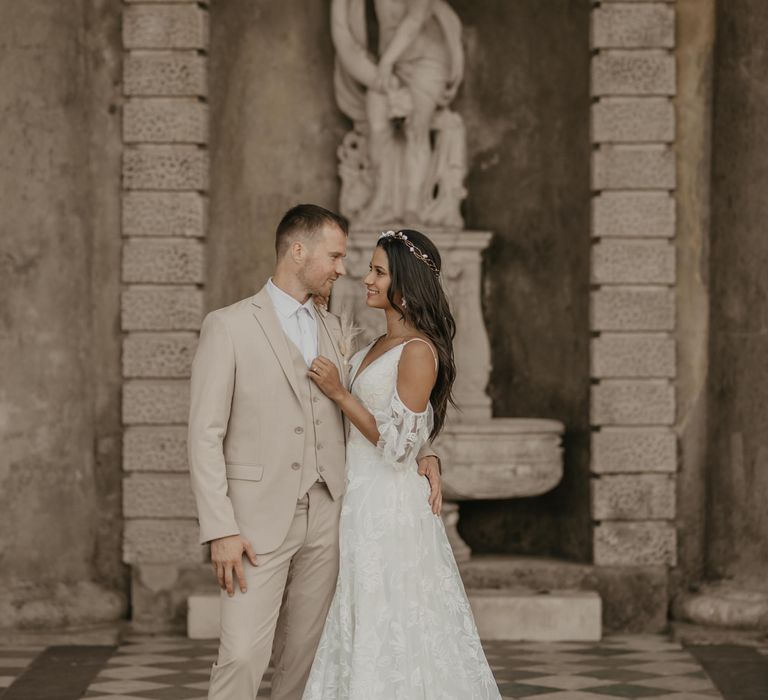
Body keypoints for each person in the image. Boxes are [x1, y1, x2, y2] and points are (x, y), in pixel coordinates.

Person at [187, 205, 443, 700]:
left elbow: (390, 399)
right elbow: (204, 435)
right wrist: (220, 528)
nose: (342, 269)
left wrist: (426, 450)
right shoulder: (229, 326)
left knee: (307, 658)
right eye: (335, 256)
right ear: (298, 251)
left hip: (333, 515)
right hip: (255, 523)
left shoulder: (335, 328)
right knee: (241, 655)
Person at [302, 229, 501, 699]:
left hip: (388, 506)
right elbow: (412, 435)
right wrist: (427, 450)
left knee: (389, 616)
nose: (365, 279)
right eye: (370, 269)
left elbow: (396, 444)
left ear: (405, 286)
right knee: (359, 612)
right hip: (360, 497)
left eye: (378, 272)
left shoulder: (418, 351)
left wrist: (339, 392)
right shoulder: (378, 343)